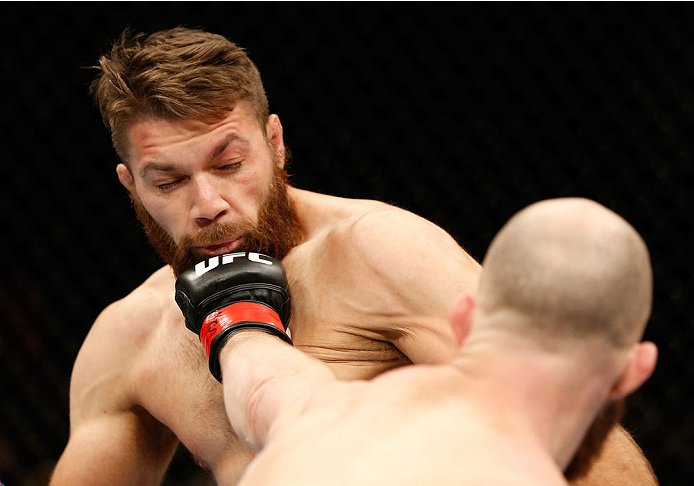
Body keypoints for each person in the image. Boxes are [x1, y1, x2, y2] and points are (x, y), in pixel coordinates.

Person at [49, 27, 656, 485]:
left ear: (276, 143)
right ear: (131, 187)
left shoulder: (379, 251)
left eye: (229, 165)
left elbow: (600, 460)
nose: (208, 203)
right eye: (169, 182)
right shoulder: (127, 338)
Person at [201, 198, 658, 485]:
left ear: (463, 319)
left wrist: (240, 326)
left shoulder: (322, 412)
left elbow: (261, 384)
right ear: (633, 369)